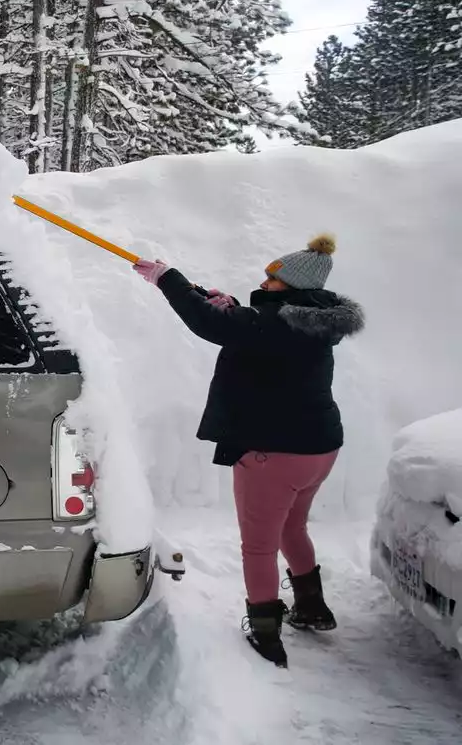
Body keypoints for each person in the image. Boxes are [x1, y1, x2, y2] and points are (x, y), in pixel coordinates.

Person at [133, 235, 364, 669]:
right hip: (320, 449)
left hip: (273, 454)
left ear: (292, 286)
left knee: (258, 545)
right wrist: (229, 302)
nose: (266, 281)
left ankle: (265, 632)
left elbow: (213, 326)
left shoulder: (271, 324)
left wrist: (170, 280)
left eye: (273, 278)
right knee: (292, 528)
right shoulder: (311, 319)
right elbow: (253, 325)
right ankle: (312, 608)